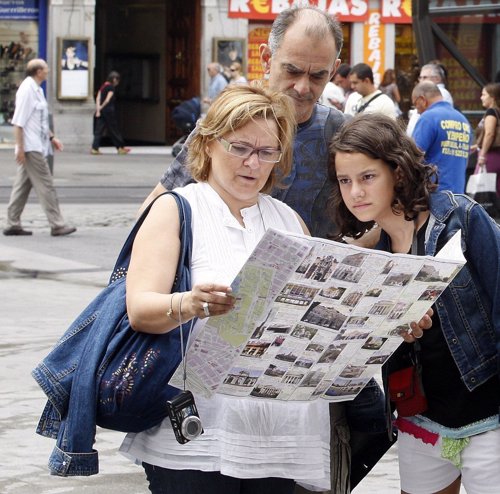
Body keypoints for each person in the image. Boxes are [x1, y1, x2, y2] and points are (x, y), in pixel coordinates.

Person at [138, 6, 392, 493]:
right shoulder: (230, 122)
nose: (303, 86)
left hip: (297, 355)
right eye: (292, 70)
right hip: (207, 355)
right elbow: (154, 212)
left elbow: (381, 220)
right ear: (265, 57)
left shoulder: (340, 136)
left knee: (368, 423)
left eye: (318, 76)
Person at [120, 83, 332, 493]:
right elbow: (140, 309)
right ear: (208, 144)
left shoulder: (289, 220)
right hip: (197, 431)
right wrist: (189, 303)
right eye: (240, 148)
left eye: (267, 152)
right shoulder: (176, 208)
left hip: (278, 433)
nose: (253, 163)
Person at [328, 112, 500, 494]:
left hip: (488, 420)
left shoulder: (460, 219)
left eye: (367, 177)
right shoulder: (372, 253)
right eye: (344, 180)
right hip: (419, 421)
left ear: (398, 171)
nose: (355, 192)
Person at [3, 58, 76, 237]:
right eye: (45, 68)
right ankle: (57, 224)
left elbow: (39, 121)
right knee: (46, 184)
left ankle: (12, 223)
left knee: (22, 186)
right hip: (31, 147)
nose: (48, 71)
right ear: (38, 71)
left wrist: (52, 137)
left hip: (37, 144)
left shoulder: (37, 89)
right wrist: (20, 148)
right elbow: (18, 122)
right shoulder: (27, 90)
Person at [411, 81, 471, 193]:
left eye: (415, 104)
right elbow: (465, 161)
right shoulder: (463, 120)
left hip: (434, 192)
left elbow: (412, 156)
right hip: (458, 194)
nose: (417, 111)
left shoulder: (428, 117)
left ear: (422, 100)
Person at [407, 62, 453, 136]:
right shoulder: (430, 92)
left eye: (425, 77)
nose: (421, 80)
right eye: (420, 77)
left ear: (437, 79)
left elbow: (433, 119)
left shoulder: (440, 93)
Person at [91, 71, 130, 155]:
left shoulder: (103, 86)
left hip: (101, 112)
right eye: (117, 80)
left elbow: (98, 98)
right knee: (114, 130)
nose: (117, 83)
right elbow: (107, 100)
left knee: (98, 130)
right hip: (109, 111)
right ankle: (120, 148)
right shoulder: (111, 87)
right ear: (114, 79)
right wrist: (102, 107)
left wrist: (98, 109)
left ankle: (94, 148)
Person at [474, 82, 500, 194]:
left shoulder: (491, 112)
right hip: (497, 155)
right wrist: (476, 145)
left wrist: (482, 154)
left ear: (492, 97)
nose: (481, 97)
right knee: (496, 190)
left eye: (484, 94)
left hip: (490, 156)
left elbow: (490, 134)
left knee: (481, 189)